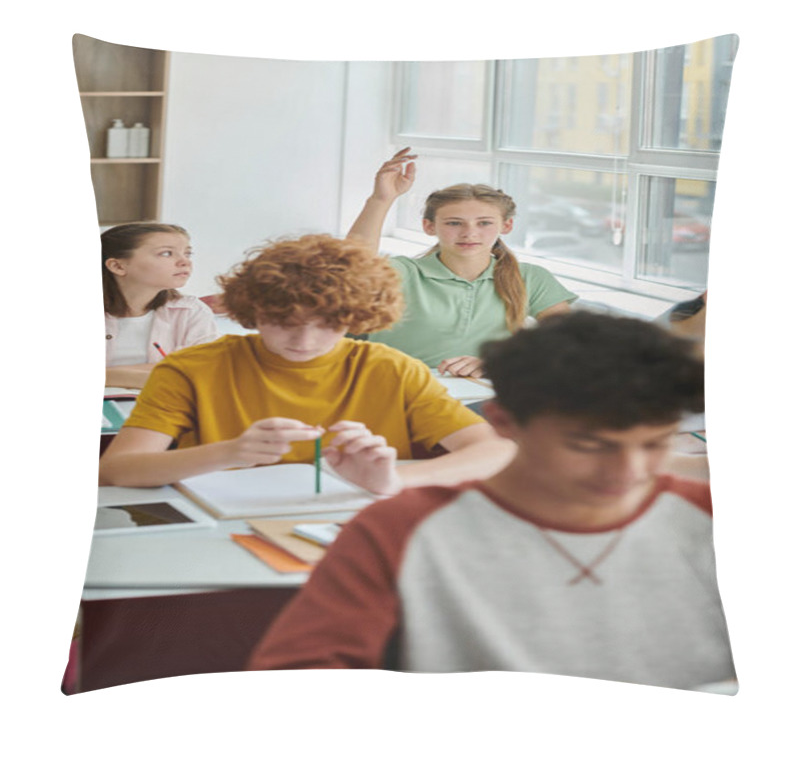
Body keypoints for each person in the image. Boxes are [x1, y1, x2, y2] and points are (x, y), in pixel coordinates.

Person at [247, 311, 736, 692]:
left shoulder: (713, 518)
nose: (629, 473)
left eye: (656, 444)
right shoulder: (401, 531)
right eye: (589, 446)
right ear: (503, 421)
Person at [98, 234, 514, 494]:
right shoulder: (192, 368)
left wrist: (392, 481)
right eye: (283, 323)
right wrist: (229, 452)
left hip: (352, 529)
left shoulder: (391, 368)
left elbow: (494, 452)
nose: (304, 341)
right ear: (252, 312)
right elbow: (116, 469)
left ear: (355, 319)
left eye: (329, 325)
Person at [346, 148, 577, 377]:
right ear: (429, 226)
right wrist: (381, 199)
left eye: (484, 223)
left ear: (506, 226)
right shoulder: (403, 273)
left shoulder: (531, 277)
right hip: (397, 387)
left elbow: (569, 339)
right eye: (454, 223)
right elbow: (352, 265)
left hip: (481, 393)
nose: (470, 233)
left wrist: (495, 362)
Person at [102, 222, 219, 389]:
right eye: (166, 253)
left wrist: (108, 375)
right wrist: (160, 375)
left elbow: (204, 372)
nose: (184, 262)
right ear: (118, 266)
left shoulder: (191, 312)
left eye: (187, 253)